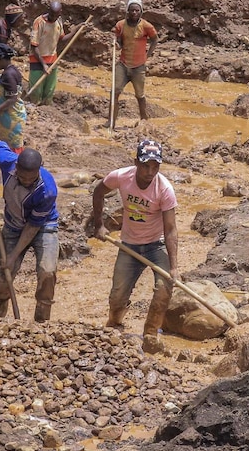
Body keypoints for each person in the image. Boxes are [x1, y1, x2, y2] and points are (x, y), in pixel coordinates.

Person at [92, 139, 178, 354]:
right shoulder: (121, 177)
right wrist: (99, 224)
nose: (150, 172)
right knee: (117, 296)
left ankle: (150, 335)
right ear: (136, 163)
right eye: (146, 166)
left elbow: (171, 230)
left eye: (155, 167)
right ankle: (115, 324)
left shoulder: (164, 189)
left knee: (164, 287)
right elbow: (98, 192)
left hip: (155, 244)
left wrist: (174, 267)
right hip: (129, 244)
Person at [0, 131, 59, 322]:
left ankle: (41, 325)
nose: (25, 181)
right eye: (22, 177)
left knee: (47, 272)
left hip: (43, 227)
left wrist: (13, 256)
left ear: (39, 171)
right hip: (13, 225)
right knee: (2, 281)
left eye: (30, 179)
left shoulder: (47, 190)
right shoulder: (8, 161)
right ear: (16, 167)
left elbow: (32, 228)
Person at [112, 0, 158, 127]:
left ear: (141, 12)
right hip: (123, 64)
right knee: (114, 92)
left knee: (140, 95)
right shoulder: (120, 25)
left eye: (137, 10)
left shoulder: (146, 26)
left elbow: (155, 39)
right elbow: (119, 40)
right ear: (127, 11)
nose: (134, 13)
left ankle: (144, 121)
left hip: (139, 66)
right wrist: (116, 44)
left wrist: (147, 56)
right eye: (131, 10)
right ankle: (112, 121)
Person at [29, 1, 85, 105]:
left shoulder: (58, 21)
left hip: (52, 61)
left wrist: (76, 29)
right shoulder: (39, 22)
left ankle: (47, 113)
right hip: (37, 61)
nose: (54, 17)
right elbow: (34, 46)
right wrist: (43, 64)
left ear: (60, 13)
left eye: (56, 15)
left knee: (49, 91)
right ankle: (34, 112)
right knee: (36, 92)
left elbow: (62, 38)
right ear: (48, 10)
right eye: (52, 14)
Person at [0, 43, 26, 152]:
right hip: (10, 118)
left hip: (11, 118)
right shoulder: (11, 71)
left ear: (2, 59)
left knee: (13, 149)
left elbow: (12, 99)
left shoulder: (8, 75)